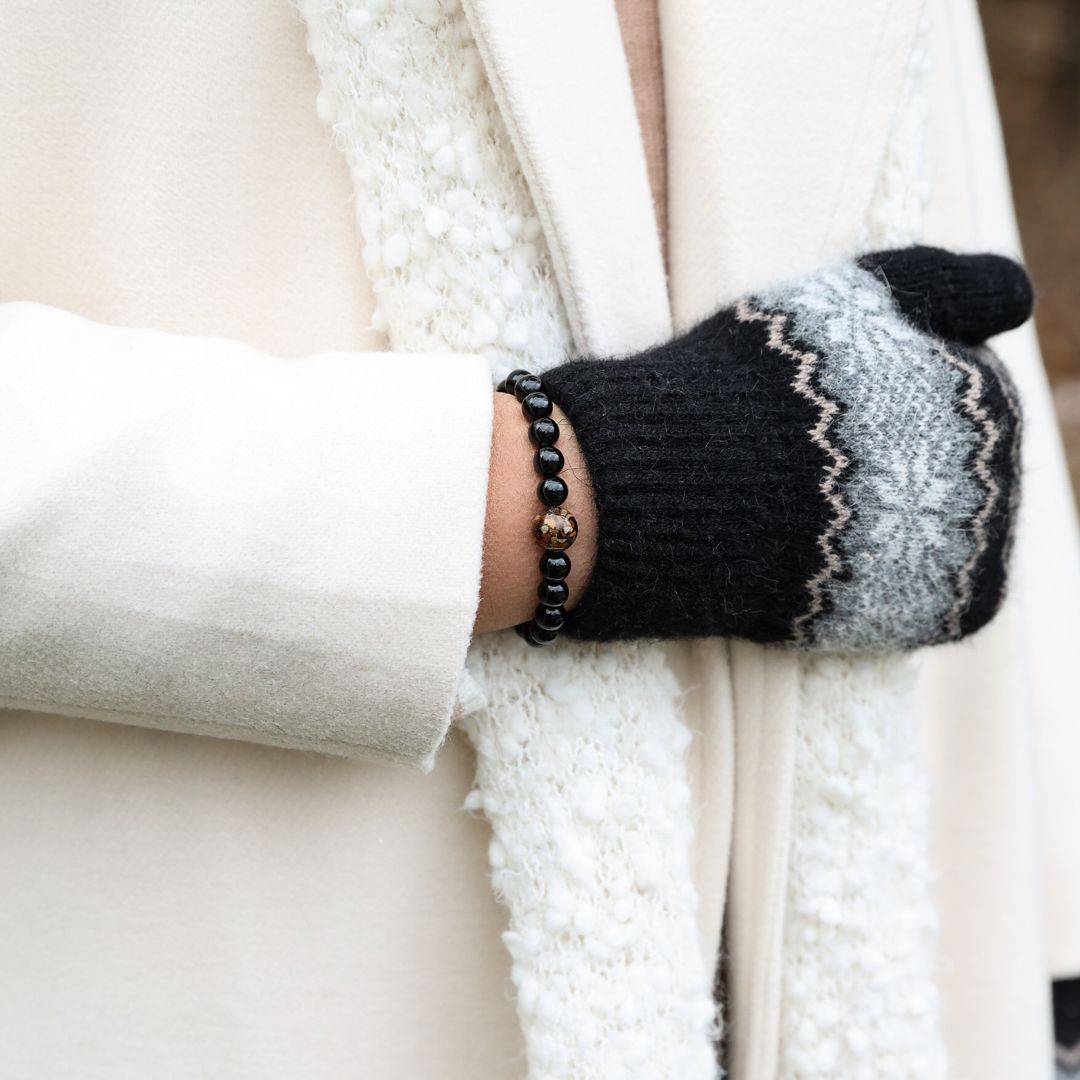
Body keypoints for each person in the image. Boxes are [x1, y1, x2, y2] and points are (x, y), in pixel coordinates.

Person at [0, 1, 1077, 1077]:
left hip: (883, 928)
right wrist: (582, 493)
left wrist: (1054, 936)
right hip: (230, 935)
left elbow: (944, 307)